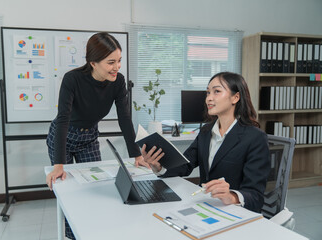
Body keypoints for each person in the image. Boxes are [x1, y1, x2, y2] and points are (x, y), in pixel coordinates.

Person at [46, 32, 147, 239]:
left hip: (89, 137)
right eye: (111, 62)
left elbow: (125, 118)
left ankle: (92, 231)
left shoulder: (118, 82)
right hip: (63, 135)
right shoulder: (72, 79)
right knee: (69, 189)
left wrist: (136, 155)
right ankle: (72, 235)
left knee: (95, 185)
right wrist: (58, 165)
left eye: (119, 61)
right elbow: (63, 118)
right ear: (93, 62)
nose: (117, 67)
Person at [143, 72, 270, 213]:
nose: (209, 98)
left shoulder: (255, 138)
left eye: (217, 91)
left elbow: (256, 197)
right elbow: (185, 165)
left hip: (234, 213)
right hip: (206, 207)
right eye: (208, 93)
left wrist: (231, 196)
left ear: (235, 97)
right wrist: (159, 166)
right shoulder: (206, 131)